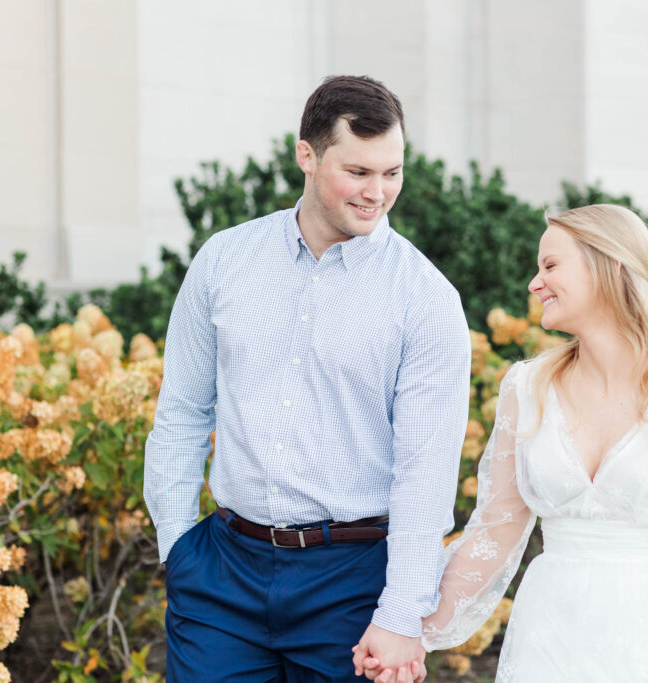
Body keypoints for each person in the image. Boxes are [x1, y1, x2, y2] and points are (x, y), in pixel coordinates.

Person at [357, 204, 648, 682]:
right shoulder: (526, 388)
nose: (534, 284)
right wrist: (409, 633)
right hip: (551, 638)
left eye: (551, 266)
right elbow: (494, 532)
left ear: (610, 268)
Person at [144, 75, 471, 682]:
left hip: (354, 586)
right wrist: (178, 549)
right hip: (222, 574)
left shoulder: (425, 298)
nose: (378, 193)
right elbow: (183, 411)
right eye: (358, 172)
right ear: (307, 156)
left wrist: (401, 614)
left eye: (392, 173)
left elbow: (425, 471)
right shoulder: (224, 260)